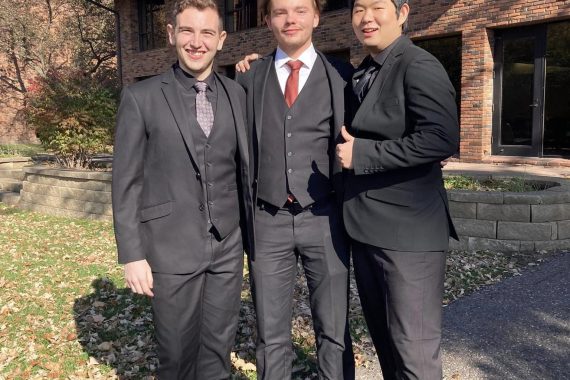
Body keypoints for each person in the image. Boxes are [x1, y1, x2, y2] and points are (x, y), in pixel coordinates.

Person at [111, 0, 253, 378]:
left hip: (226, 249)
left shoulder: (238, 95)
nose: (196, 42)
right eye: (187, 31)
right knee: (175, 356)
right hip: (170, 249)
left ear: (221, 40)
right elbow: (126, 182)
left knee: (217, 353)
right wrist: (132, 254)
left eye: (207, 33)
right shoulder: (140, 97)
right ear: (172, 35)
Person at [336, 0, 459, 379]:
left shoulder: (418, 64)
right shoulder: (363, 70)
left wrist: (363, 154)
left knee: (414, 354)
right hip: (367, 230)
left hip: (410, 238)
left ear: (403, 12)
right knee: (388, 347)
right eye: (359, 9)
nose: (366, 18)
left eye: (377, 7)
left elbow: (441, 138)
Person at [234, 0, 355, 378]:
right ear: (268, 20)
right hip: (267, 218)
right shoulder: (249, 77)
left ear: (316, 17)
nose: (291, 19)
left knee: (333, 328)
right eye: (281, 11)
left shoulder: (341, 74)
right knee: (270, 332)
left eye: (300, 9)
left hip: (325, 217)